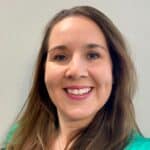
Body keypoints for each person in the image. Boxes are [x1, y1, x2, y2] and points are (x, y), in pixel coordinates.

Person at [4, 5, 150, 150]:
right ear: (44, 71)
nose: (75, 71)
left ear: (115, 71)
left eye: (93, 55)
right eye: (60, 57)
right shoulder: (19, 137)